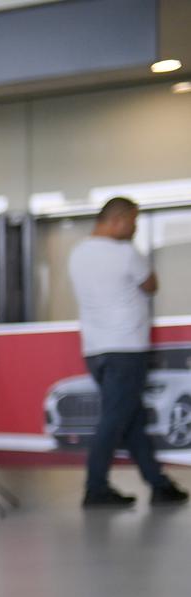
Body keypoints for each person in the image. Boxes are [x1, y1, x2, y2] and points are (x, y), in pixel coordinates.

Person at [68, 197, 187, 508]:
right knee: (114, 420)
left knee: (131, 419)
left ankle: (159, 485)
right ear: (118, 220)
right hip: (126, 348)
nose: (134, 229)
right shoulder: (125, 253)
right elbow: (151, 285)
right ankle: (95, 488)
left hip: (95, 349)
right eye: (133, 222)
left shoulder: (78, 254)